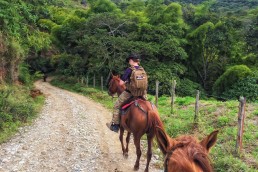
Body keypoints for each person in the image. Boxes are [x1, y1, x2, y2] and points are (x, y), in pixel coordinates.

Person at [106, 54, 147, 132]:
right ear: (137, 61)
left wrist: (126, 81)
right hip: (142, 93)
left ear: (131, 60)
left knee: (116, 106)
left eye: (129, 60)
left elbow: (121, 83)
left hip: (130, 92)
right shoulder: (142, 69)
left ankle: (115, 125)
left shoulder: (129, 70)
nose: (129, 62)